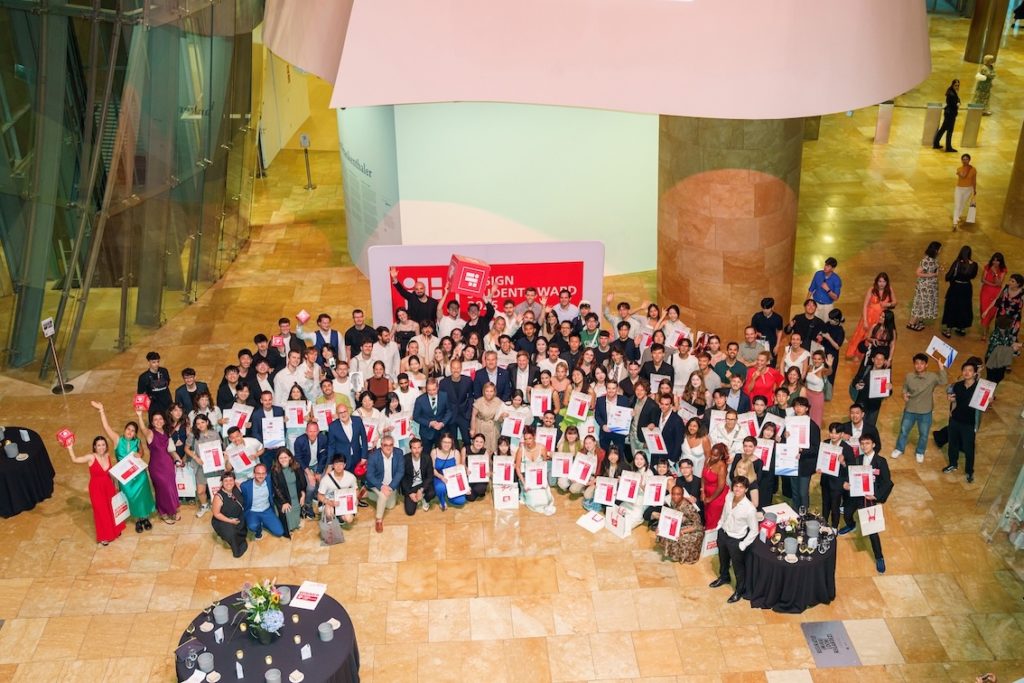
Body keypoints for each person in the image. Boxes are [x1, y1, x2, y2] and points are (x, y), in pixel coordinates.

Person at [93, 401, 155, 533]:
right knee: (130, 497)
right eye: (128, 429)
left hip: (139, 475)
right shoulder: (117, 440)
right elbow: (106, 427)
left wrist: (140, 454)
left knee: (143, 496)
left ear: (135, 434)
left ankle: (145, 517)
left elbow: (142, 452)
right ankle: (137, 520)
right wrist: (102, 411)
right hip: (125, 477)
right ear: (124, 430)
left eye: (133, 431)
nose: (130, 432)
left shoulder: (137, 441)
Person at [844, 434, 893, 573]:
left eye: (867, 443)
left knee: (872, 530)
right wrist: (847, 483)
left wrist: (876, 496)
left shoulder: (881, 461)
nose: (864, 446)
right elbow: (850, 474)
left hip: (869, 498)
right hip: (856, 495)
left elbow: (887, 482)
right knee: (847, 513)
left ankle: (879, 557)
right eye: (862, 443)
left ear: (873, 445)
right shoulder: (858, 459)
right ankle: (851, 525)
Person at [65, 436, 126, 545]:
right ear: (94, 447)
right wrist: (70, 447)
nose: (101, 447)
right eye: (99, 445)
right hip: (96, 489)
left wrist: (116, 484)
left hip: (108, 486)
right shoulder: (91, 457)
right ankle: (104, 536)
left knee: (111, 509)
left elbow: (110, 472)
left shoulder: (107, 455)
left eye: (103, 445)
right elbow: (75, 460)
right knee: (101, 512)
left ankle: (115, 530)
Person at [708, 476, 758, 603]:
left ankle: (739, 590)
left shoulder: (750, 508)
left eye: (741, 487)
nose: (738, 489)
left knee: (738, 568)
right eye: (736, 486)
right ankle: (724, 577)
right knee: (723, 559)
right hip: (723, 534)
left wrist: (743, 545)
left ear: (746, 489)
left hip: (736, 540)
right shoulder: (729, 496)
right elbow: (724, 513)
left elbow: (754, 530)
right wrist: (720, 525)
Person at [892, 353, 947, 463]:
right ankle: (899, 448)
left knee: (924, 434)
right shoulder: (909, 376)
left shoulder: (932, 377)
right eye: (916, 363)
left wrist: (941, 367)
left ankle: (920, 452)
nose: (919, 365)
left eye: (922, 363)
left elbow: (944, 381)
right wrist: (904, 394)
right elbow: (905, 388)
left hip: (925, 411)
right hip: (910, 409)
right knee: (903, 431)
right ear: (914, 364)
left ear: (926, 365)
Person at [136, 408, 182, 524]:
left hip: (168, 464)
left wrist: (177, 459)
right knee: (162, 489)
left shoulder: (166, 433)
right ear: (152, 423)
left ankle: (173, 509)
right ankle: (163, 512)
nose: (158, 421)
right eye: (155, 420)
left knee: (171, 487)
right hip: (157, 467)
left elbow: (170, 450)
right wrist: (140, 415)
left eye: (160, 419)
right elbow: (143, 429)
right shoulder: (150, 433)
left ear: (164, 421)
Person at [944, 357, 983, 484]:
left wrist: (989, 400)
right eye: (965, 370)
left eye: (970, 370)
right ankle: (952, 464)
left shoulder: (980, 388)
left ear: (975, 373)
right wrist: (951, 399)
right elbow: (951, 395)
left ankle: (969, 471)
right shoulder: (958, 385)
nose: (967, 372)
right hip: (955, 420)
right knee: (952, 444)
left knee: (968, 448)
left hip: (969, 423)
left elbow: (985, 402)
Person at [847, 273, 897, 361]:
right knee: (862, 335)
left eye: (884, 281)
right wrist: (865, 321)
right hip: (869, 316)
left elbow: (895, 302)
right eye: (880, 281)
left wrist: (887, 304)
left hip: (880, 318)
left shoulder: (889, 289)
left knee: (875, 336)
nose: (882, 284)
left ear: (887, 282)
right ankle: (856, 354)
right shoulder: (872, 289)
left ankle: (870, 355)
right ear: (876, 281)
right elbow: (865, 305)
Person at [653, 485, 704, 564]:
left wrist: (682, 531)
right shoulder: (673, 501)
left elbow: (697, 525)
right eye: (673, 494)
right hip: (681, 523)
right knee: (665, 531)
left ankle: (680, 556)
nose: (675, 496)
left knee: (679, 537)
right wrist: (661, 526)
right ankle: (670, 551)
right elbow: (671, 515)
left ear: (682, 495)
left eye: (678, 494)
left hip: (693, 529)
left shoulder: (688, 507)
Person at [819, 423, 856, 531]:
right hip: (825, 480)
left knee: (835, 506)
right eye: (831, 432)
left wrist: (843, 462)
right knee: (825, 503)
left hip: (838, 482)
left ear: (842, 434)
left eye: (836, 433)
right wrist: (818, 467)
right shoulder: (825, 443)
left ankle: (834, 526)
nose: (833, 435)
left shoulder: (847, 448)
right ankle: (824, 523)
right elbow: (820, 459)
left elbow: (852, 467)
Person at [365, 435, 405, 532]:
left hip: (391, 484)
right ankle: (379, 520)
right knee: (383, 496)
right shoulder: (373, 456)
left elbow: (400, 472)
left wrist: (390, 487)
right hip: (377, 483)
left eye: (391, 445)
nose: (388, 447)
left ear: (393, 445)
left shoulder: (399, 453)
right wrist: (381, 486)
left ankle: (368, 494)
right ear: (381, 445)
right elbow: (369, 475)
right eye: (385, 445)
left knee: (390, 506)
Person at [516, 426, 557, 515]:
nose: (528, 441)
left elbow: (544, 465)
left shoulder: (542, 448)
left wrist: (543, 481)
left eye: (530, 438)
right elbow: (517, 467)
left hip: (539, 478)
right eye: (525, 439)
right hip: (526, 478)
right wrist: (524, 482)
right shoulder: (521, 449)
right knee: (533, 501)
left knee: (545, 500)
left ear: (534, 437)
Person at [293, 421, 329, 517]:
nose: (312, 434)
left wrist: (319, 472)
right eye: (310, 431)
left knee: (323, 481)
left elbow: (324, 456)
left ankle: (318, 497)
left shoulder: (323, 438)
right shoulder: (299, 441)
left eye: (315, 431)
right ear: (306, 431)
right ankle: (307, 505)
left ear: (318, 431)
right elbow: (298, 458)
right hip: (305, 465)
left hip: (317, 463)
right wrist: (309, 473)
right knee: (311, 486)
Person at [942, 245, 979, 338]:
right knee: (964, 307)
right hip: (966, 288)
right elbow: (973, 276)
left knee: (952, 307)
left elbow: (948, 276)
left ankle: (948, 330)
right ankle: (962, 328)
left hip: (956, 287)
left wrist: (946, 275)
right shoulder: (974, 264)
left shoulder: (957, 263)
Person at [240, 464, 286, 539]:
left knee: (279, 532)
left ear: (266, 474)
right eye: (258, 473)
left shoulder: (269, 480)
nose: (261, 476)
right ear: (254, 474)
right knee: (252, 526)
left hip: (267, 510)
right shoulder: (245, 486)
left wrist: (284, 502)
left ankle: (263, 522)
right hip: (253, 511)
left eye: (263, 473)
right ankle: (258, 530)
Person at [210, 472, 248, 558]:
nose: (229, 483)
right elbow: (216, 514)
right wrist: (230, 521)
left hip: (237, 515)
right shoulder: (218, 496)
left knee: (244, 527)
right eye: (226, 481)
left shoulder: (237, 486)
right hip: (223, 520)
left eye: (231, 480)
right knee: (232, 534)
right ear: (222, 482)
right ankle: (236, 550)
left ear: (234, 481)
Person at [907, 241, 942, 332]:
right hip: (925, 287)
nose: (940, 251)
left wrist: (938, 269)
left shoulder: (933, 259)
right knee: (920, 304)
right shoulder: (926, 260)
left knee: (924, 304)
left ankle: (918, 320)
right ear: (935, 250)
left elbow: (931, 268)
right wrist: (933, 274)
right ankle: (911, 323)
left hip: (930, 287)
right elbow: (918, 273)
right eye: (939, 249)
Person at [327, 404, 368, 476]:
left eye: (344, 411)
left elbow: (364, 439)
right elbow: (331, 446)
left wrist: (364, 456)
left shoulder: (357, 420)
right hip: (342, 461)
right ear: (337, 414)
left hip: (357, 458)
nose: (343, 414)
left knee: (358, 481)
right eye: (340, 413)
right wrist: (330, 464)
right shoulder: (332, 426)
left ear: (348, 411)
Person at [270, 449, 305, 533]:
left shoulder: (296, 467)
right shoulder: (275, 470)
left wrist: (303, 494)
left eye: (285, 457)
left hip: (296, 496)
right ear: (278, 459)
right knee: (288, 524)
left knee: (297, 519)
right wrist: (284, 502)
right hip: (284, 497)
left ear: (290, 457)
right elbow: (276, 488)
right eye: (281, 458)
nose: (283, 460)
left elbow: (302, 482)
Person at [317, 456, 358, 526]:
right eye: (336, 464)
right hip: (330, 501)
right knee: (329, 511)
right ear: (333, 465)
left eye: (341, 464)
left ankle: (340, 517)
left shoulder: (351, 477)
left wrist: (356, 498)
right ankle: (329, 519)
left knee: (349, 519)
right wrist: (329, 502)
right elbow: (319, 495)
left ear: (344, 465)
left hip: (343, 502)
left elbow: (356, 490)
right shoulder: (326, 479)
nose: (338, 466)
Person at [431, 432, 466, 510]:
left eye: (449, 442)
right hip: (439, 476)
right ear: (440, 442)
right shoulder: (434, 452)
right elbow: (432, 469)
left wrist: (465, 487)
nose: (446, 444)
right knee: (440, 488)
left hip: (452, 477)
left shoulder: (456, 452)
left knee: (461, 501)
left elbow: (458, 470)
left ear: (452, 443)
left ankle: (450, 495)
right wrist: (441, 477)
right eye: (444, 442)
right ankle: (442, 500)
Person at [400, 438, 435, 514]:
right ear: (410, 449)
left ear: (422, 448)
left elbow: (430, 476)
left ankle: (425, 499)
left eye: (419, 447)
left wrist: (421, 490)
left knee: (431, 493)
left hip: (423, 484)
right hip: (410, 486)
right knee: (410, 512)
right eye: (414, 448)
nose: (417, 450)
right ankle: (417, 497)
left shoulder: (427, 458)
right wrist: (410, 493)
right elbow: (402, 478)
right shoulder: (404, 459)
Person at [979, 253, 1008, 340]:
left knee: (991, 312)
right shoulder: (988, 266)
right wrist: (992, 284)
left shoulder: (1003, 270)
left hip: (995, 293)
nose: (995, 262)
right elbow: (983, 279)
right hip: (985, 291)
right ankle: (984, 332)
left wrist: (995, 273)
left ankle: (986, 326)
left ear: (1000, 262)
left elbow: (999, 283)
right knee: (984, 310)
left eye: (997, 261)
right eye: (994, 260)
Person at [701, 443, 729, 529]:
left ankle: (710, 535)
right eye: (711, 454)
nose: (712, 457)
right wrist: (702, 491)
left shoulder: (722, 466)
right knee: (706, 515)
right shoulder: (707, 460)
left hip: (717, 495)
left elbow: (720, 487)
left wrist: (710, 499)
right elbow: (703, 477)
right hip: (707, 491)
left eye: (715, 455)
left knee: (712, 519)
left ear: (721, 456)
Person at [137, 351, 172, 417]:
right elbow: (141, 394)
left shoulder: (164, 371)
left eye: (158, 361)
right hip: (154, 406)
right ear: (148, 362)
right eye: (154, 362)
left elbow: (167, 382)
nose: (156, 364)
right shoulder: (143, 377)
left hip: (167, 403)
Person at [933, 79, 960, 152]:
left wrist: (957, 102)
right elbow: (953, 103)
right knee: (949, 131)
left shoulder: (952, 91)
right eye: (956, 85)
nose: (957, 87)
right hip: (950, 114)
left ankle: (936, 144)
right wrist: (957, 104)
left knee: (943, 129)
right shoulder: (951, 93)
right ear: (952, 85)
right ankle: (948, 148)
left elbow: (958, 100)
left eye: (958, 85)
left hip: (949, 113)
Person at [952, 154, 977, 231]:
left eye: (966, 159)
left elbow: (974, 181)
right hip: (959, 189)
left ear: (969, 160)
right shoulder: (959, 169)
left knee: (962, 204)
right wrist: (960, 173)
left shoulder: (973, 170)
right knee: (957, 204)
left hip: (968, 189)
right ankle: (955, 222)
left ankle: (958, 216)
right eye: (963, 159)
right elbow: (963, 176)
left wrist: (974, 190)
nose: (964, 161)